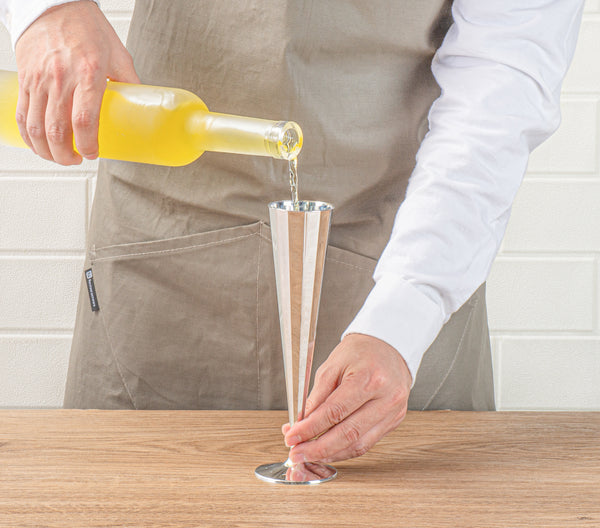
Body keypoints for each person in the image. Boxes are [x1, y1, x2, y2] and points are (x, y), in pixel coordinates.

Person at [1, 0, 584, 466]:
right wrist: (47, 10)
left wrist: (405, 315)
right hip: (159, 248)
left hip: (396, 248)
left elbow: (503, 78)